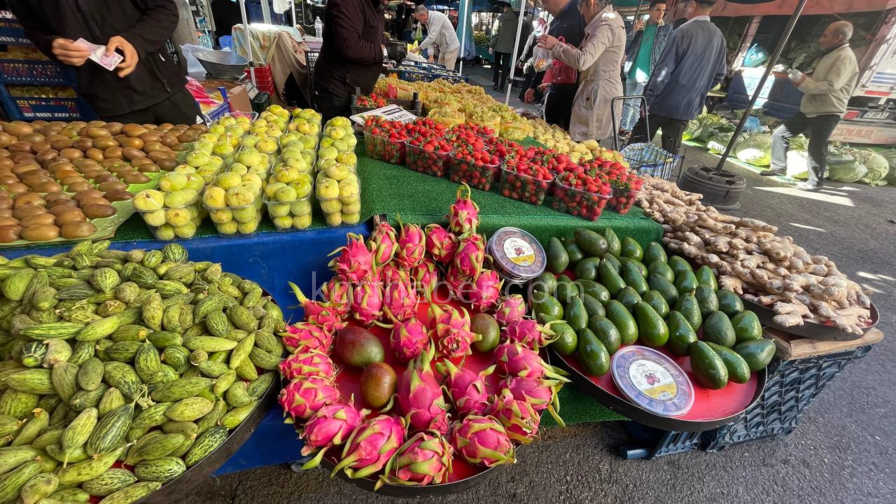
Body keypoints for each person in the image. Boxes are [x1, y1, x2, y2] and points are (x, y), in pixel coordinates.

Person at [9, 0, 202, 124]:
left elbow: (165, 10)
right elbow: (33, 29)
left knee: (205, 161)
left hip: (164, 89)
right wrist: (52, 44)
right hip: (108, 102)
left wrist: (136, 41)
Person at [765, 21, 859, 191]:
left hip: (828, 110)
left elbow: (830, 85)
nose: (820, 39)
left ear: (838, 38)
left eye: (825, 35)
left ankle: (815, 182)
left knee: (816, 146)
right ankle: (778, 167)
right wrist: (801, 79)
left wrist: (803, 82)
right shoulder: (831, 53)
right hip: (811, 107)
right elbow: (818, 79)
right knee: (780, 134)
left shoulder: (845, 57)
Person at [629, 0, 727, 154]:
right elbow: (720, 74)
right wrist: (696, 91)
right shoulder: (718, 37)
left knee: (634, 149)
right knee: (669, 155)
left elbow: (663, 72)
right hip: (686, 107)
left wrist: (647, 99)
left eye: (686, 5)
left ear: (693, 5)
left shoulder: (683, 32)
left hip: (662, 103)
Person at [538, 0, 625, 143]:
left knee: (585, 144)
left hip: (598, 93)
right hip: (594, 90)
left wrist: (556, 46)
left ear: (591, 3)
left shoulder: (607, 25)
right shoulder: (605, 22)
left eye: (582, 7)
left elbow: (583, 61)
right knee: (584, 144)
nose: (581, 13)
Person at [312, 0, 386, 122]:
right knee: (336, 135)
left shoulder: (375, 6)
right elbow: (350, 47)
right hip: (338, 91)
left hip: (354, 90)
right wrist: (383, 51)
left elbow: (372, 35)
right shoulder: (347, 3)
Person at [524, 0, 586, 130]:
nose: (544, 8)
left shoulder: (582, 15)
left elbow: (583, 59)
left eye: (545, 3)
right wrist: (533, 86)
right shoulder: (555, 22)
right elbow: (545, 60)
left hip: (576, 95)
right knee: (549, 128)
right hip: (556, 87)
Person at [620, 0, 671, 137]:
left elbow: (664, 50)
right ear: (650, 11)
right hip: (633, 68)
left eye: (663, 11)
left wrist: (661, 30)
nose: (660, 13)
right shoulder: (640, 27)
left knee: (636, 103)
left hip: (648, 72)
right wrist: (633, 31)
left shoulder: (664, 31)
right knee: (628, 101)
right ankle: (624, 128)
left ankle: (630, 129)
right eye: (657, 10)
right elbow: (626, 46)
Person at [414, 6, 460, 70]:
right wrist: (431, 56)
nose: (419, 22)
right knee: (439, 69)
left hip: (451, 47)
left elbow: (431, 37)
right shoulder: (427, 21)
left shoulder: (436, 17)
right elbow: (430, 40)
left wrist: (419, 48)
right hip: (443, 48)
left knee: (448, 71)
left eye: (419, 19)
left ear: (423, 15)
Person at [491, 2, 520, 91]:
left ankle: (495, 84)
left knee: (496, 66)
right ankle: (502, 86)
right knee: (505, 67)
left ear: (505, 8)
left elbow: (495, 33)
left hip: (499, 46)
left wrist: (491, 45)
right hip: (509, 47)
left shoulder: (500, 18)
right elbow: (516, 34)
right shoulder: (516, 19)